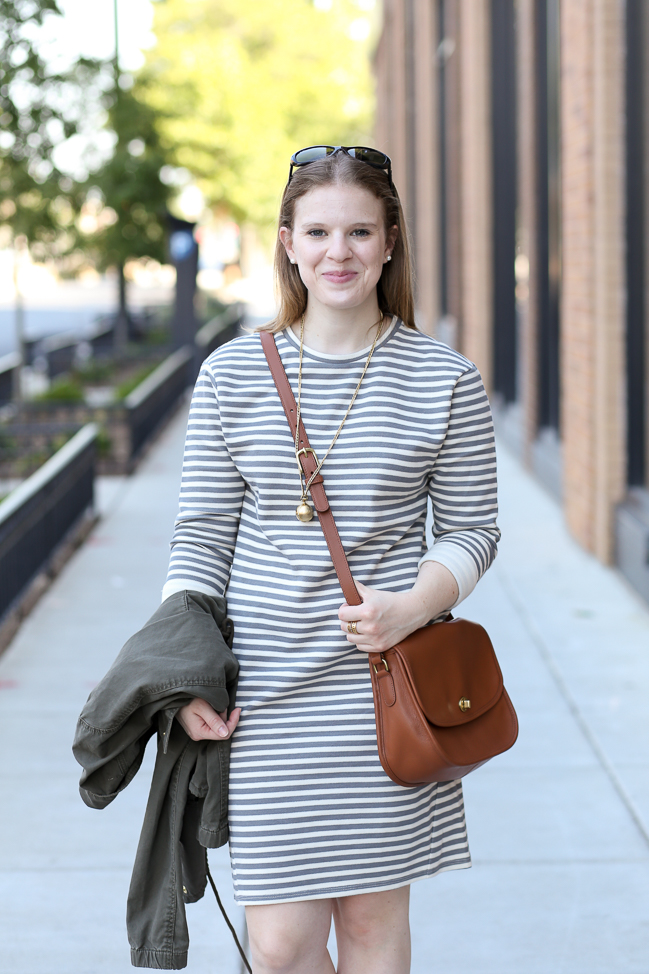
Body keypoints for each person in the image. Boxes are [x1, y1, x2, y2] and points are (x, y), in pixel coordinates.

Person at [164, 145, 500, 974]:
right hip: (266, 698)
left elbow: (473, 531)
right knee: (278, 949)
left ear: (390, 243)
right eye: (317, 231)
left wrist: (410, 606)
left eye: (359, 231)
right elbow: (200, 535)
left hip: (382, 694)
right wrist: (183, 675)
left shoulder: (443, 379)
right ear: (286, 241)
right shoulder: (233, 374)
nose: (337, 252)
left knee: (370, 932)